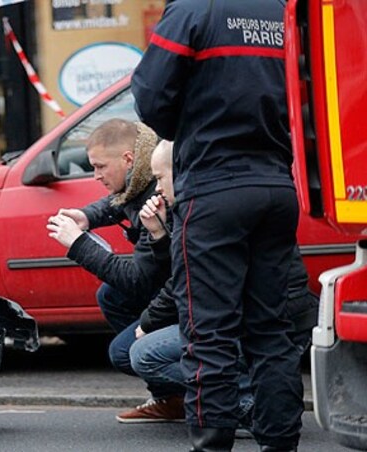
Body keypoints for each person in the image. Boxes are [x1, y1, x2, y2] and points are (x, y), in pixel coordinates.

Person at [132, 0, 302, 450]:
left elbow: (149, 97)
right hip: (277, 185)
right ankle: (280, 443)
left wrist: (190, 128)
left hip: (213, 190)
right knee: (271, 331)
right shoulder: (281, 10)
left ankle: (212, 444)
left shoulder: (194, 9)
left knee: (209, 336)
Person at [128, 141, 318, 434]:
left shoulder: (203, 211)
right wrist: (159, 233)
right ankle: (273, 423)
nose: (157, 188)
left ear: (180, 171)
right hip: (278, 316)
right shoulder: (222, 197)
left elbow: (186, 280)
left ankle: (245, 409)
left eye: (160, 177)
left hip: (259, 320)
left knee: (146, 353)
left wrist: (149, 322)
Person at [47, 119, 178, 421]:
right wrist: (85, 216)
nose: (95, 176)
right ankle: (171, 398)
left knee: (125, 352)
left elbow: (137, 280)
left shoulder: (158, 194)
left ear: (128, 160)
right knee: (111, 295)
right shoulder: (142, 176)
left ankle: (231, 397)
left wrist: (78, 244)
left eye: (100, 167)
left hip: (187, 298)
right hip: (175, 288)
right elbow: (117, 203)